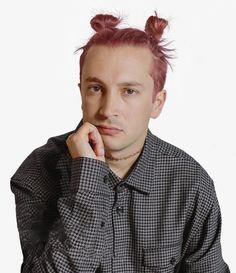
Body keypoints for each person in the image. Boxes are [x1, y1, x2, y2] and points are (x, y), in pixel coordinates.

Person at [10, 11, 230, 273]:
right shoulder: (39, 170)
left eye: (129, 91)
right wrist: (87, 178)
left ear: (156, 103)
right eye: (96, 88)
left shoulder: (190, 182)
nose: (108, 109)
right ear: (81, 92)